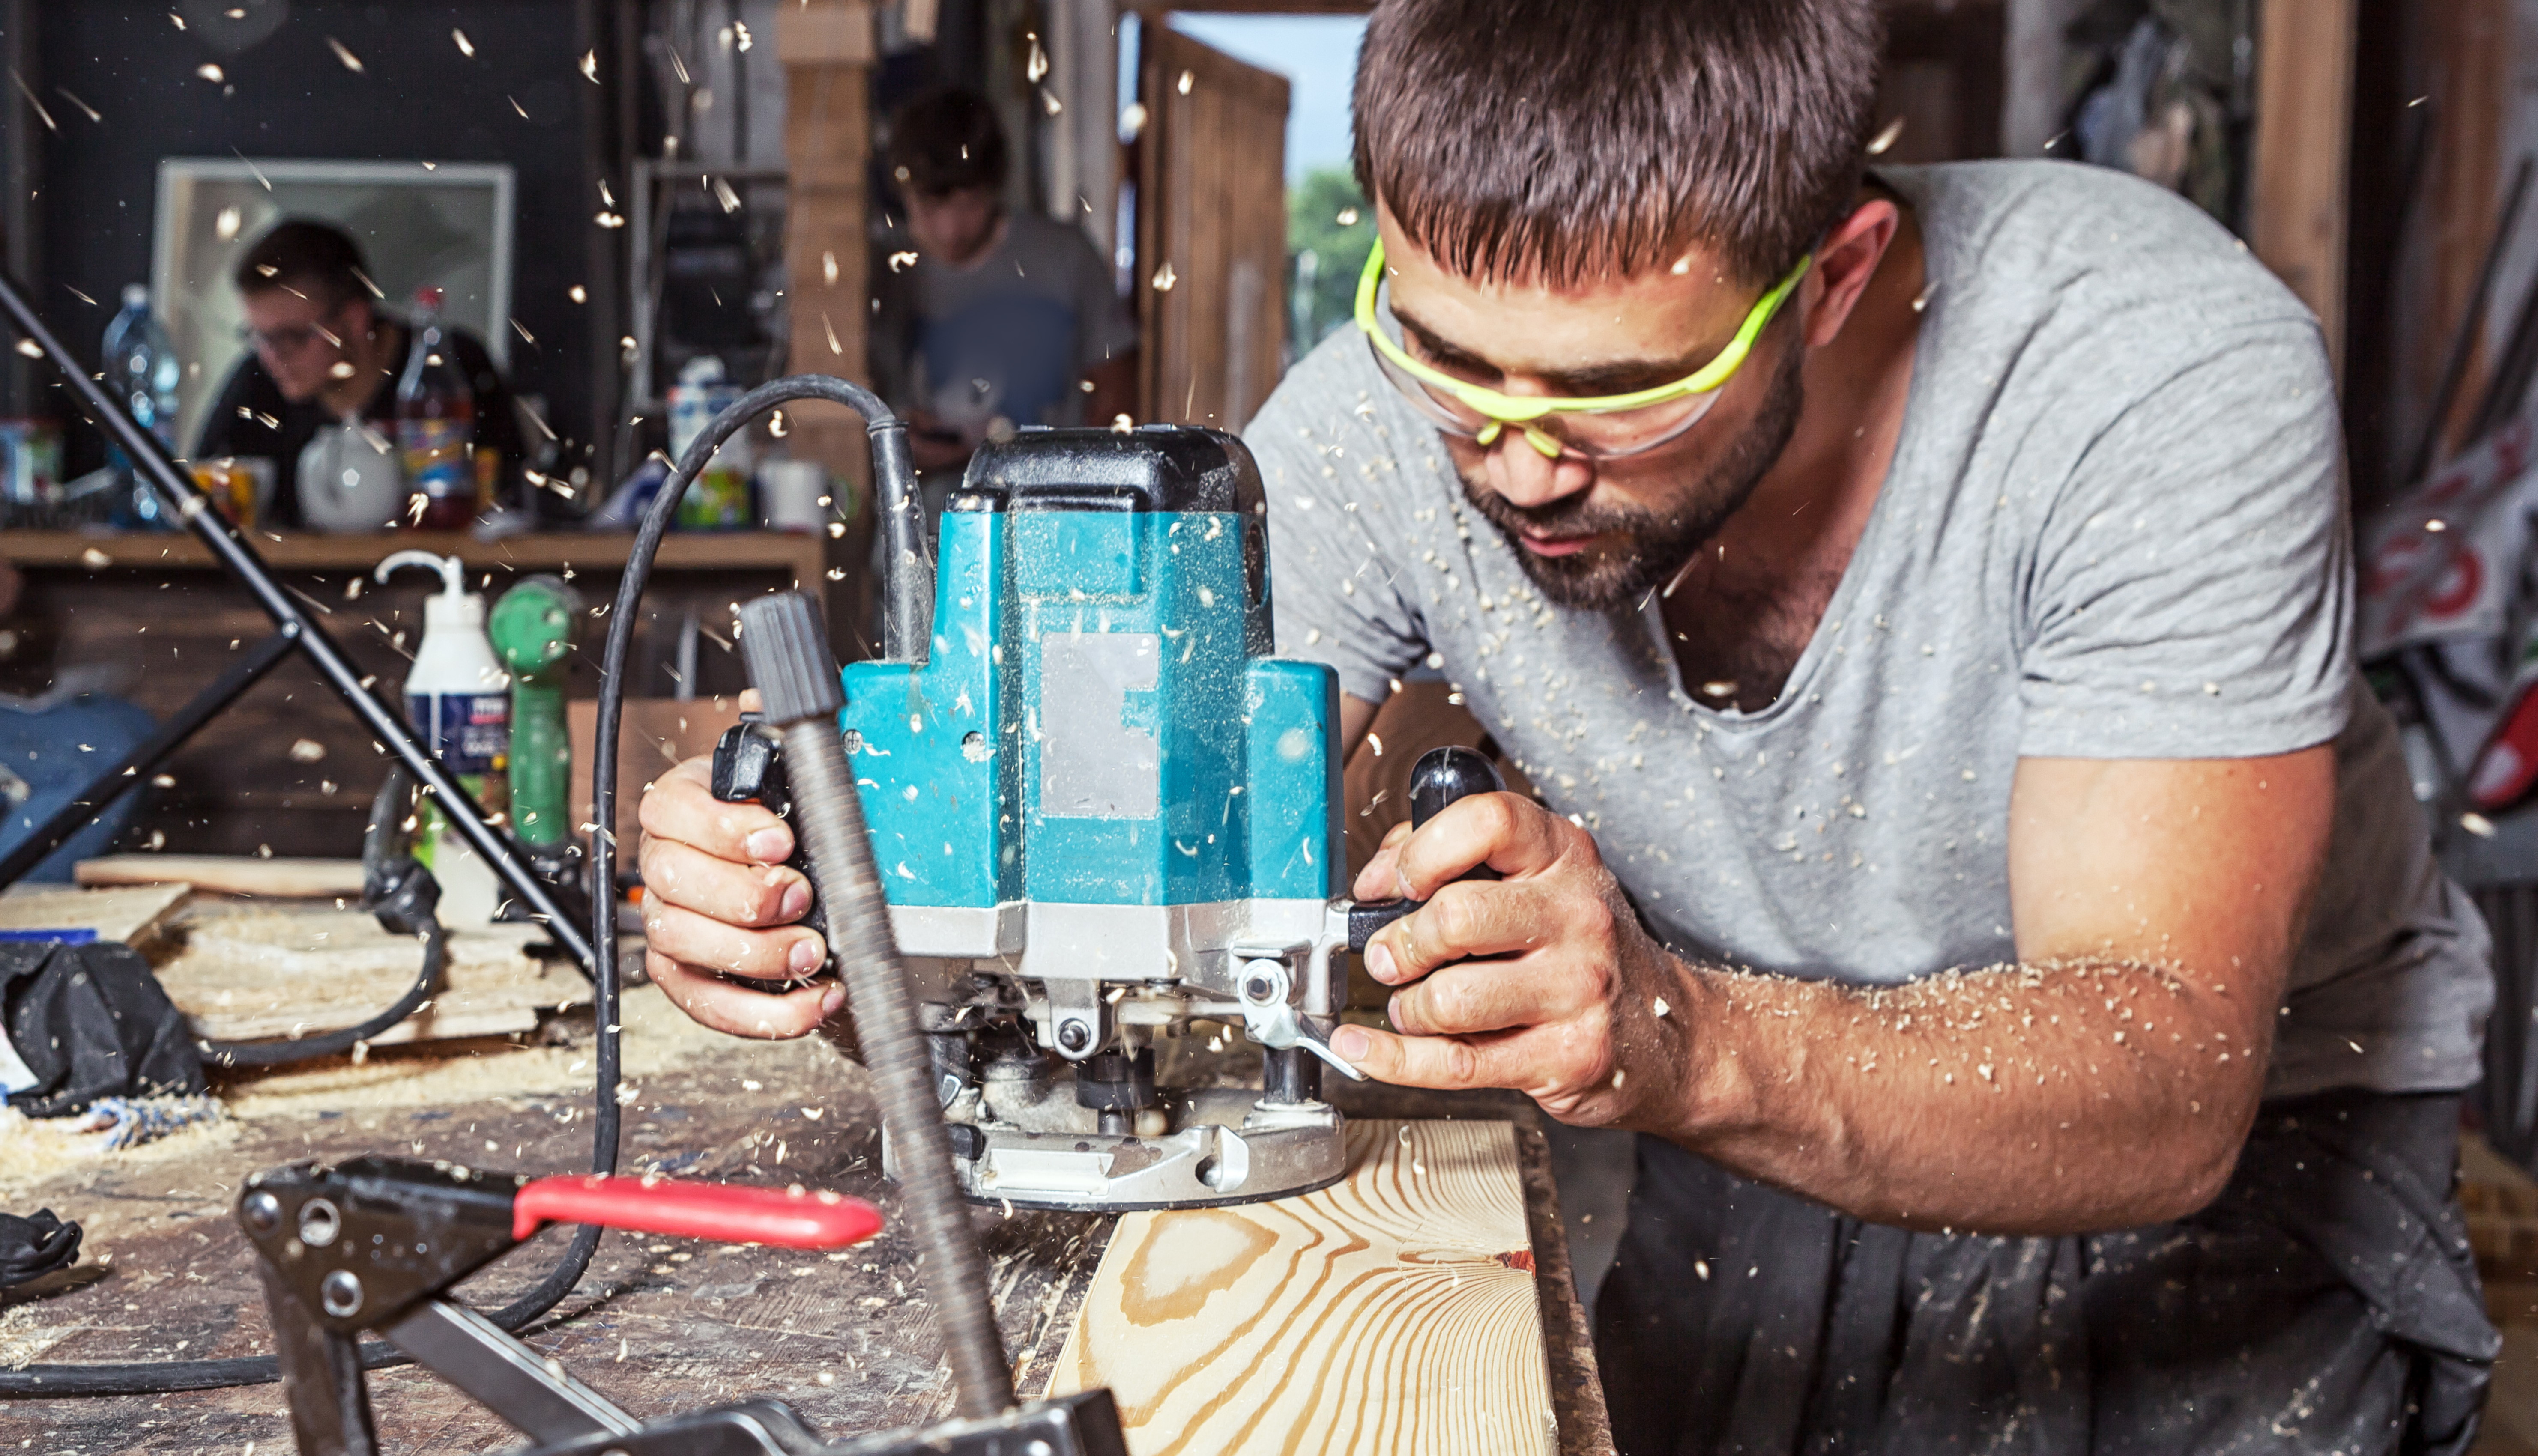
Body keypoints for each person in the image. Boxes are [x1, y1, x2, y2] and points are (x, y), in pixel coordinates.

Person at [632, 2, 2502, 1450]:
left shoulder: (2146, 373)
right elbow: (1117, 795)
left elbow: (2162, 1072)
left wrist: (1673, 1034)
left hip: (2215, 1206)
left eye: (1620, 392)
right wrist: (815, 852)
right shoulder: (1380, 420)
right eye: (1449, 358)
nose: (1514, 458)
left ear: (1829, 275)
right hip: (1737, 1132)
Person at [870, 87, 1137, 474]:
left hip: (1049, 513)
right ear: (901, 192)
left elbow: (1118, 393)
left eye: (967, 204)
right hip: (918, 520)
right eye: (930, 207)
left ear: (995, 187)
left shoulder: (1064, 258)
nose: (950, 231)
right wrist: (896, 442)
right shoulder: (883, 272)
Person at [195, 220, 524, 528]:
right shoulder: (256, 383)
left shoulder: (446, 366)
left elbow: (513, 500)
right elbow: (199, 498)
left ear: (354, 320)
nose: (272, 357)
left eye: (291, 337)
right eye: (259, 337)